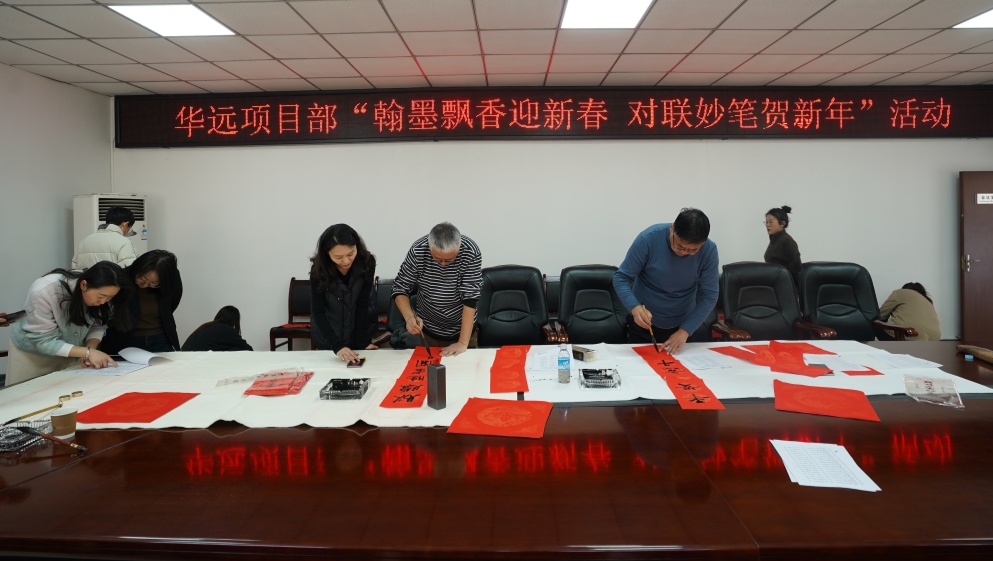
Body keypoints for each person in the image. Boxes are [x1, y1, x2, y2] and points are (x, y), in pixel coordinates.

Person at [6, 262, 132, 386]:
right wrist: (86, 352)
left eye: (110, 297)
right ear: (83, 285)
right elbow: (42, 341)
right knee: (30, 394)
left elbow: (98, 324)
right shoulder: (44, 291)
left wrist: (90, 349)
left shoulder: (104, 291)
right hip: (33, 356)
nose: (104, 301)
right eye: (101, 296)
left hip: (71, 353)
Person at [613, 208, 719, 355]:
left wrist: (685, 331)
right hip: (644, 323)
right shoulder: (648, 239)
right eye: (679, 246)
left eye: (692, 250)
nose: (684, 253)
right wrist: (635, 308)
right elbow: (621, 278)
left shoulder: (709, 250)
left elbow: (710, 295)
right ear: (672, 229)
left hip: (683, 325)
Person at [392, 222, 482, 357]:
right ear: (430, 247)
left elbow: (470, 299)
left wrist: (463, 343)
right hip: (427, 329)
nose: (443, 265)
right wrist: (410, 317)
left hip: (462, 331)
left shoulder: (470, 251)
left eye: (449, 260)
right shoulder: (418, 250)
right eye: (438, 259)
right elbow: (400, 288)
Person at [309, 224, 378, 363]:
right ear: (327, 252)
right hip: (329, 340)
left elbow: (362, 305)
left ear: (357, 246)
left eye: (351, 254)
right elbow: (318, 312)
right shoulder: (319, 271)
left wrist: (362, 343)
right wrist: (337, 346)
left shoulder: (367, 263)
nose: (346, 261)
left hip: (356, 335)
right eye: (338, 257)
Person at [100, 249, 183, 354]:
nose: (144, 285)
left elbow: (173, 302)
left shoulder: (172, 278)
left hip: (160, 338)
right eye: (142, 279)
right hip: (125, 338)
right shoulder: (122, 277)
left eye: (153, 283)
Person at [71, 206, 138, 269]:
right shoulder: (124, 243)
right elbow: (130, 271)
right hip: (111, 278)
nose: (128, 231)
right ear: (125, 224)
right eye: (129, 228)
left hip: (86, 278)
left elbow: (74, 269)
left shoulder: (83, 242)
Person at [181, 306, 253, 351]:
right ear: (234, 321)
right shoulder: (226, 330)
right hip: (193, 361)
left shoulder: (207, 326)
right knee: (238, 349)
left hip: (185, 357)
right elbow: (248, 349)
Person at [763, 205, 801, 285]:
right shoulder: (775, 240)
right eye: (766, 222)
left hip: (784, 285)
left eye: (771, 222)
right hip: (774, 283)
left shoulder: (787, 241)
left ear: (782, 223)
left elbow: (796, 269)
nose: (767, 225)